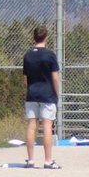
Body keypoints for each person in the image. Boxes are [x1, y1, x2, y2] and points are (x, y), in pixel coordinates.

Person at [22, 25, 61, 169]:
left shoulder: (28, 56)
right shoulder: (50, 55)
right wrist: (57, 94)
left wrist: (30, 90)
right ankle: (48, 161)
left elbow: (25, 79)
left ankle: (31, 160)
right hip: (47, 95)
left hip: (32, 94)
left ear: (34, 37)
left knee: (31, 126)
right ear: (46, 37)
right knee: (47, 126)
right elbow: (55, 78)